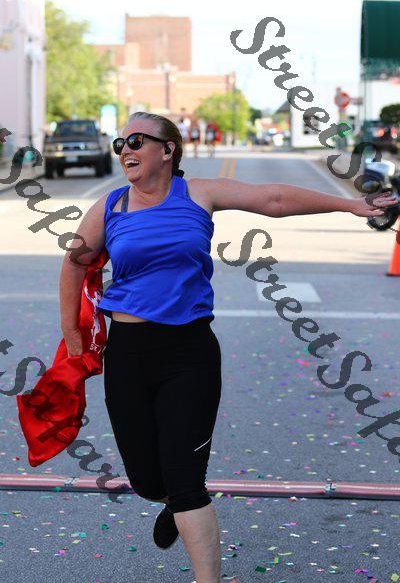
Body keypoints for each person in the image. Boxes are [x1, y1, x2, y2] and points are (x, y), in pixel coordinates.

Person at [56, 111, 397, 583]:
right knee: (148, 481)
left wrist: (350, 206)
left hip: (188, 353)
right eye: (120, 144)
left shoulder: (198, 193)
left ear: (167, 150)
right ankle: (174, 503)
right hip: (128, 353)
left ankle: (200, 556)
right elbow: (75, 263)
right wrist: (74, 338)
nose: (125, 151)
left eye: (136, 141)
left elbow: (273, 199)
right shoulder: (111, 206)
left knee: (185, 480)